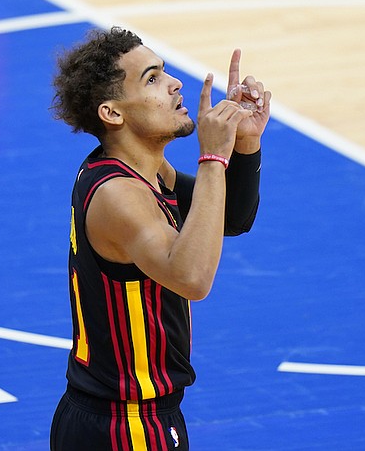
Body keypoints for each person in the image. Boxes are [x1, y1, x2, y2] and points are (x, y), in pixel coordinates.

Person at [49, 26, 271, 450]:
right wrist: (211, 158)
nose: (175, 84)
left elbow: (231, 219)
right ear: (113, 113)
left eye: (165, 72)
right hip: (125, 426)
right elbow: (191, 278)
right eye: (152, 78)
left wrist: (245, 144)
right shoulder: (119, 196)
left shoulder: (139, 170)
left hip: (124, 416)